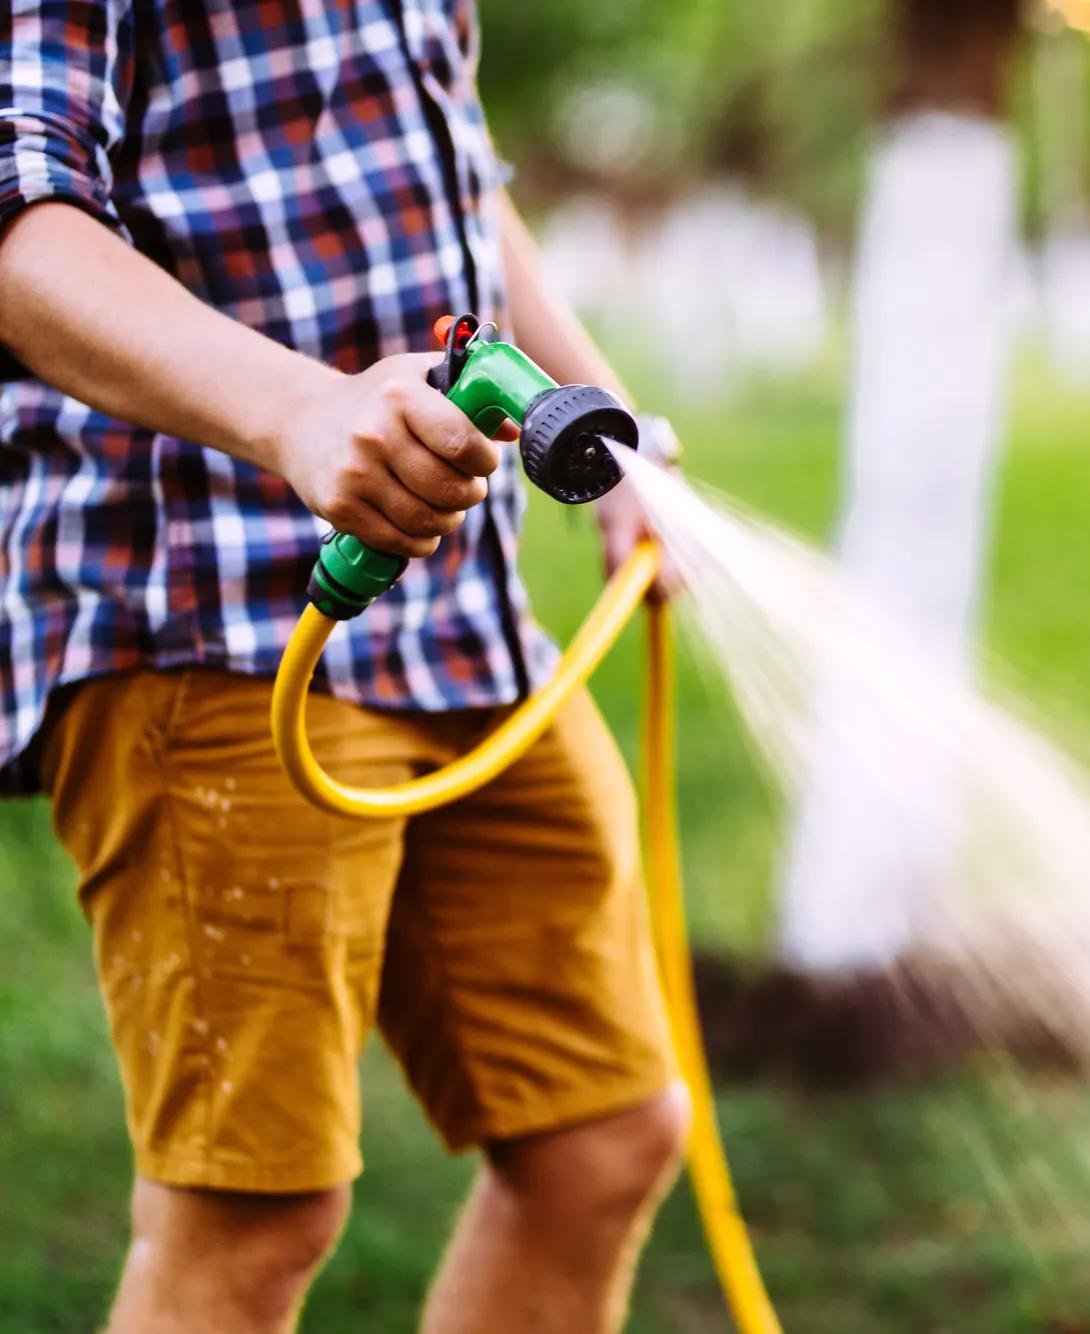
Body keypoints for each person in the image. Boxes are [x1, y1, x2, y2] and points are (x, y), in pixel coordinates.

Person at [0, 4, 687, 1331]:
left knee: (599, 1136)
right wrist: (300, 411)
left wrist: (608, 423)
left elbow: (452, 182)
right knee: (249, 1221)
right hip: (209, 615)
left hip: (462, 629)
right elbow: (21, 228)